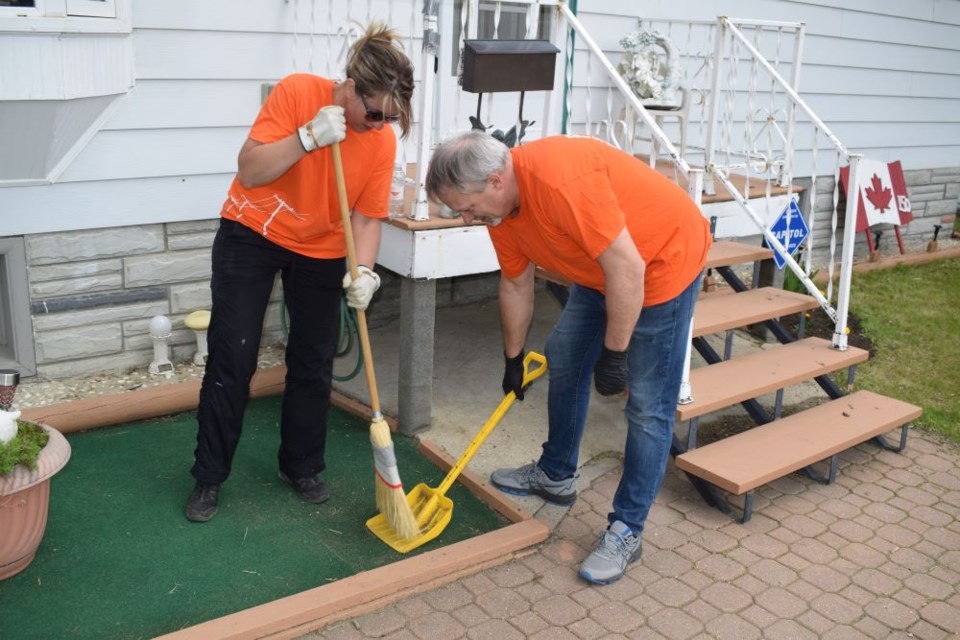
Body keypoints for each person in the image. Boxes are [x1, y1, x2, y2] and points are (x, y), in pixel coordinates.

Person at [425, 131, 711, 584]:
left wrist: (615, 353)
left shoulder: (560, 181)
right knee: (564, 355)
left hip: (659, 263)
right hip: (603, 269)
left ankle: (626, 529)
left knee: (647, 407)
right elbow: (516, 284)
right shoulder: (500, 215)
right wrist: (512, 357)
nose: (465, 217)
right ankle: (556, 474)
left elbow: (628, 268)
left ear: (496, 181)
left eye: (465, 205)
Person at [185, 22, 414, 523]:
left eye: (389, 119)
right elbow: (250, 170)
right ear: (351, 87)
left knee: (313, 358)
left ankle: (301, 466)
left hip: (324, 245)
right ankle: (209, 475)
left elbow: (367, 217)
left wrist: (365, 272)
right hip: (253, 232)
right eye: (373, 113)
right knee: (234, 354)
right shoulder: (297, 92)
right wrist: (308, 137)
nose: (378, 126)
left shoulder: (379, 143)